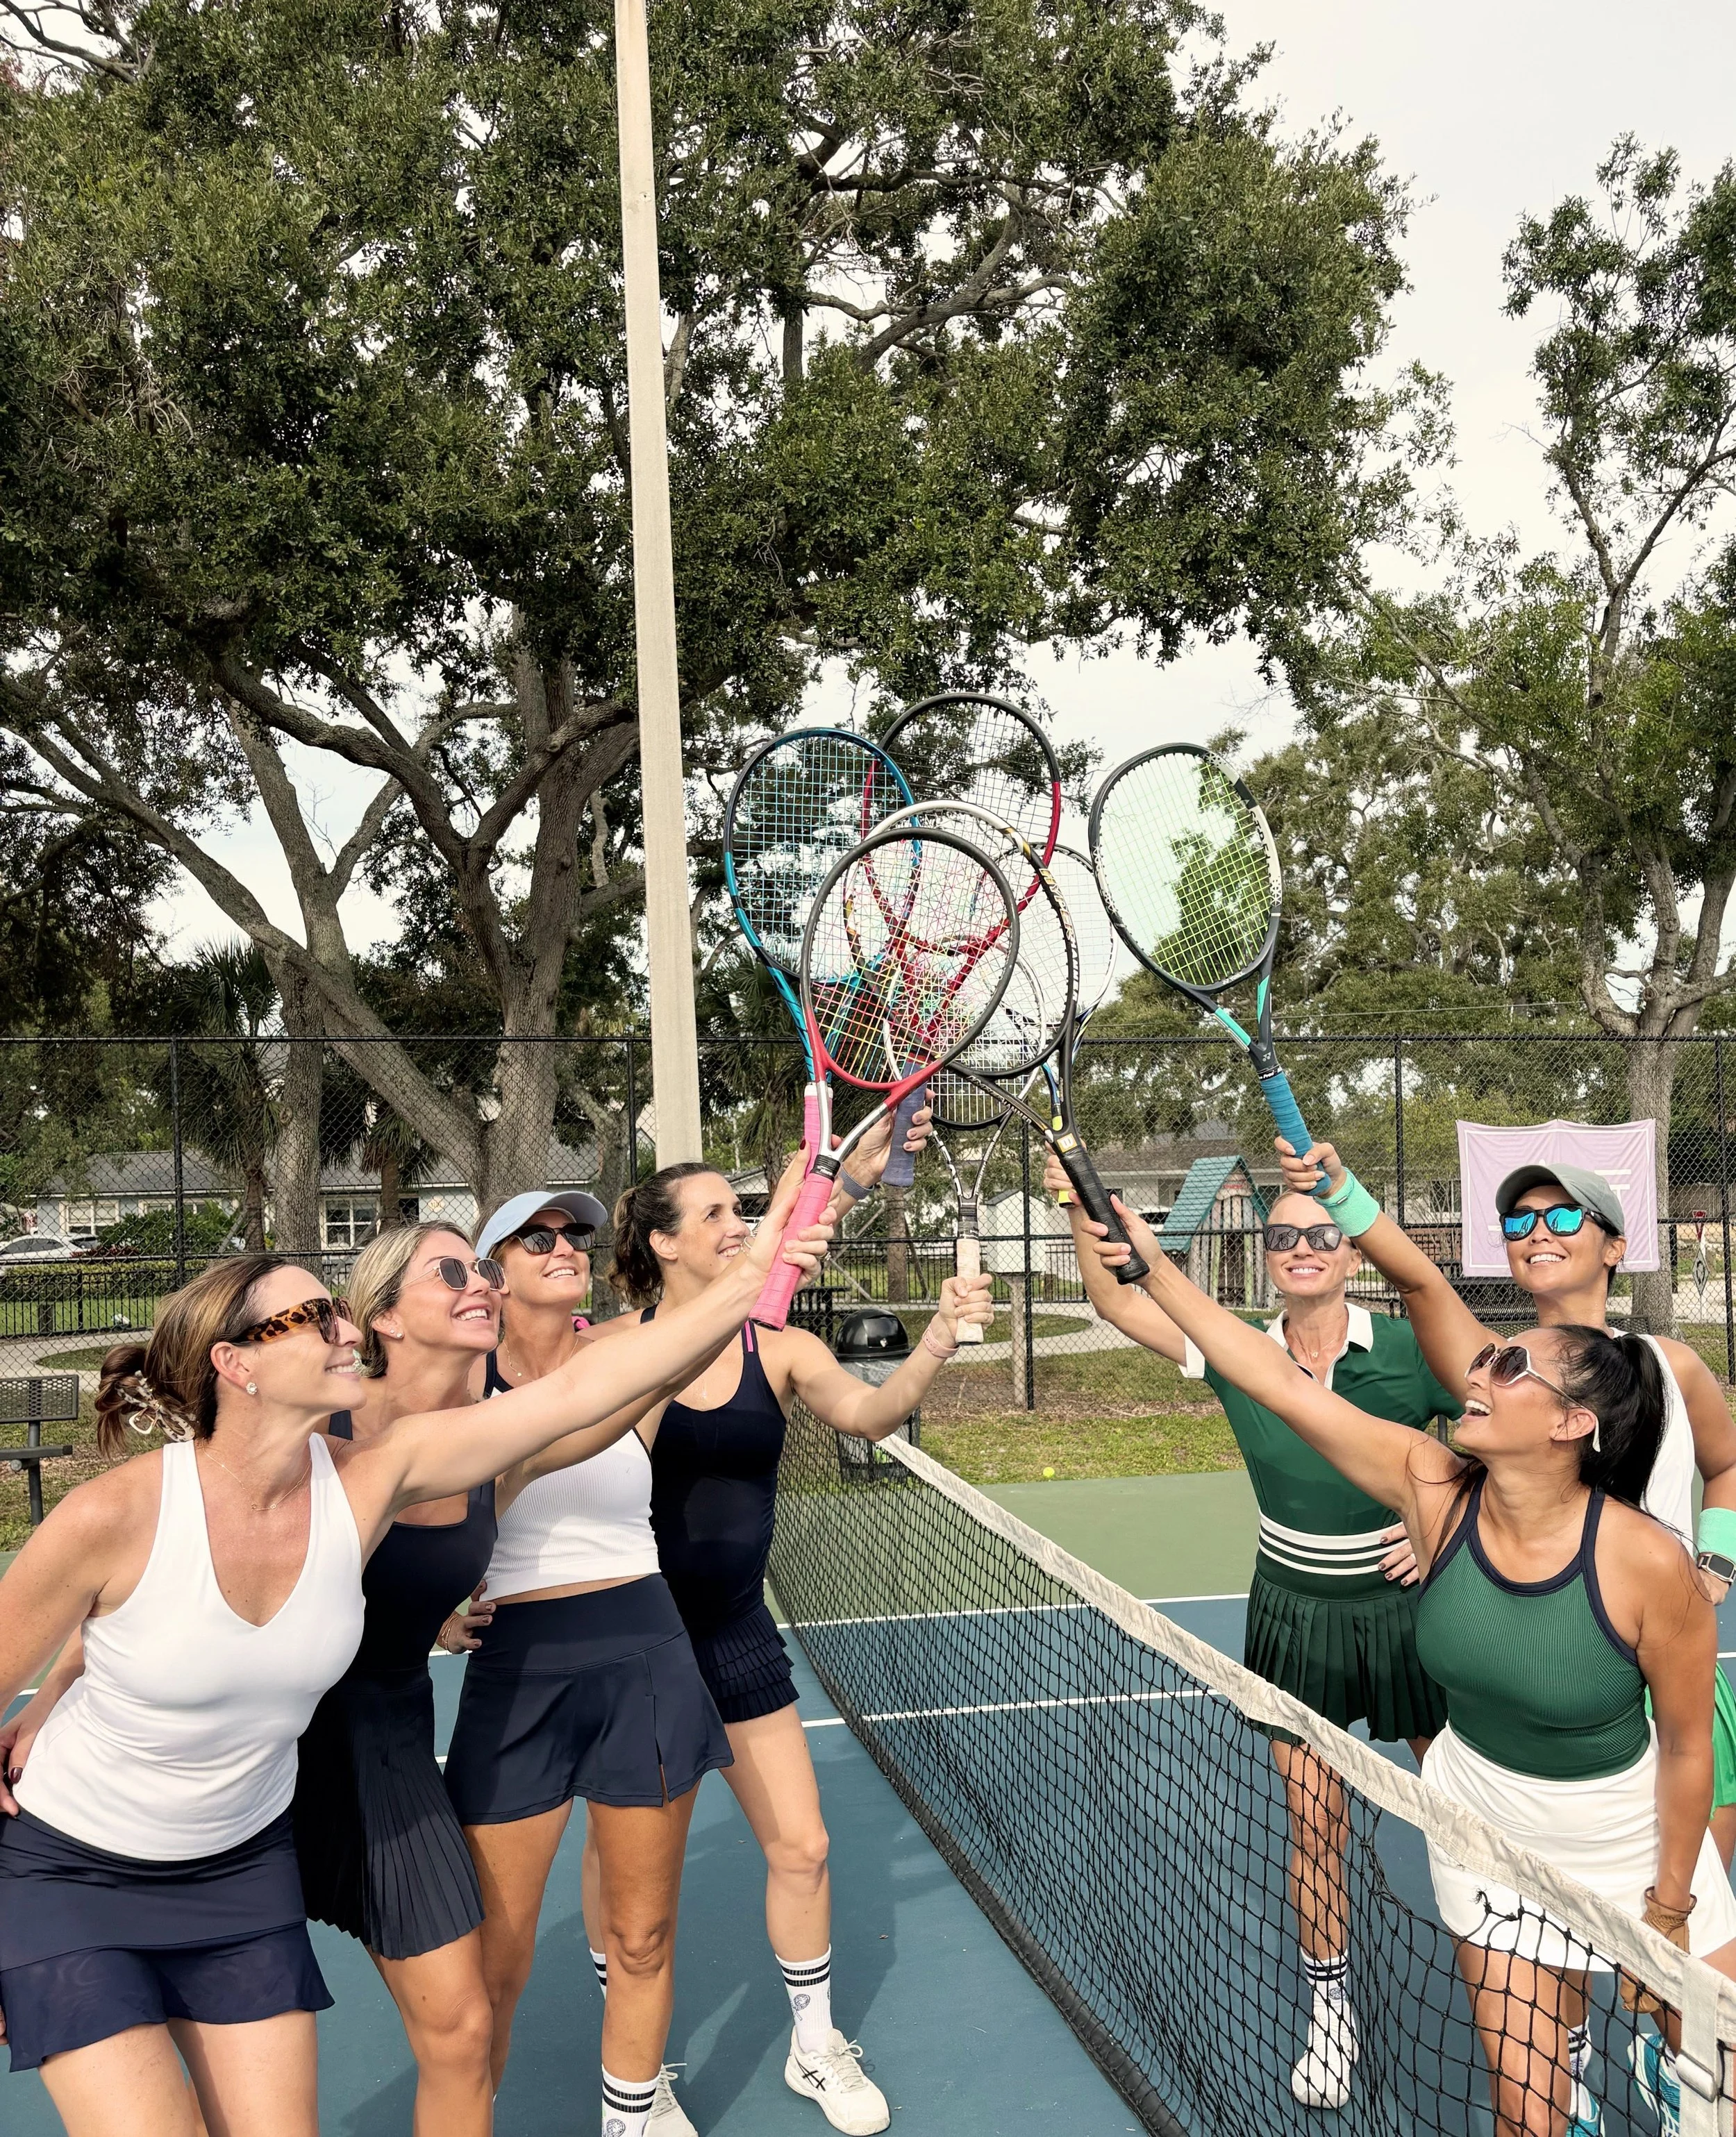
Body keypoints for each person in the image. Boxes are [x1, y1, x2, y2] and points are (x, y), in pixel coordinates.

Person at [0, 1163, 828, 2137]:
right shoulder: (125, 1508)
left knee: (457, 2030)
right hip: (85, 1864)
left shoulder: (382, 1472)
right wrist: (46, 1704)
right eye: (314, 1318)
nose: (343, 1327)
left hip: (270, 1826)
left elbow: (594, 1385)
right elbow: (106, 1621)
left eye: (338, 1312)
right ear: (239, 1364)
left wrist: (751, 1274)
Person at [1077, 1192, 1736, 2137]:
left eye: (1510, 1368)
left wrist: (1669, 1905)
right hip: (1488, 1833)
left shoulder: (1649, 1565)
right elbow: (1276, 1380)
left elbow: (1684, 1749)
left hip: (1632, 1837)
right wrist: (1150, 1259)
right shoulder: (1432, 1487)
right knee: (1529, 2119)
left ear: (1570, 1425)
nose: (1481, 1370)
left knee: (1719, 2094)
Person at [583, 1160, 992, 2135]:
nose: (738, 1223)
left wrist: (936, 1335)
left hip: (739, 1636)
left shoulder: (783, 1346)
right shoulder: (612, 1352)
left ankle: (815, 2045)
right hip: (641, 1649)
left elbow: (868, 1415)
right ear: (662, 1242)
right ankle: (639, 2062)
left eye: (742, 1208)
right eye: (717, 1213)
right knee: (636, 1887)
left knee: (803, 1846)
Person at [1046, 1147, 1460, 2109]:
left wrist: (1443, 1528)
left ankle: (1507, 1981)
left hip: (1412, 1618)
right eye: (1284, 1236)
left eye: (1324, 1233)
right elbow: (1117, 1303)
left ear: (1352, 1252)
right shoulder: (1235, 1347)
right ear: (1268, 1254)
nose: (1304, 1246)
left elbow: (1497, 1432)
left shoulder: (1408, 1349)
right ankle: (1331, 2013)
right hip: (1292, 1615)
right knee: (1314, 1822)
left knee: (1461, 1811)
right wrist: (1075, 1200)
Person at [1273, 1140, 1736, 1878]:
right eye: (1517, 1224)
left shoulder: (1668, 1363)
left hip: (1670, 1696)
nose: (1537, 1233)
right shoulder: (1501, 1368)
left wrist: (1714, 1559)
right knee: (1549, 1960)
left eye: (1561, 1215)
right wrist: (1341, 1193)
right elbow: (1422, 1284)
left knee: (1670, 1963)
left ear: (1615, 1245)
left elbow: (1727, 1464)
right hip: (1558, 1691)